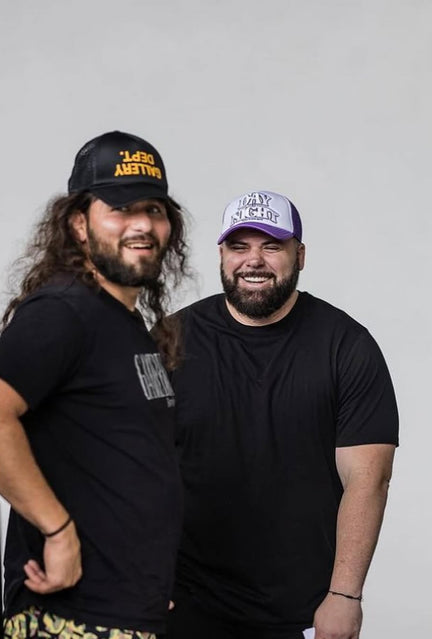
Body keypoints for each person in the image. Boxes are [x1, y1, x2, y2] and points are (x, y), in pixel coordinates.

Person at [166, 190, 398, 639]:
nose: (254, 260)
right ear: (221, 255)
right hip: (186, 599)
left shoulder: (346, 346)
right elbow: (133, 462)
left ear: (300, 255)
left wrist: (345, 594)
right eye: (239, 246)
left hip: (303, 608)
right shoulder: (171, 339)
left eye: (271, 246)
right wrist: (139, 570)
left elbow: (369, 479)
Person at [0, 130, 189, 639]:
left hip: (125, 612)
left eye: (154, 209)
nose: (142, 225)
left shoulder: (126, 324)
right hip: (69, 617)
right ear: (78, 224)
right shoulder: (63, 312)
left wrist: (150, 574)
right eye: (121, 209)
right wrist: (56, 530)